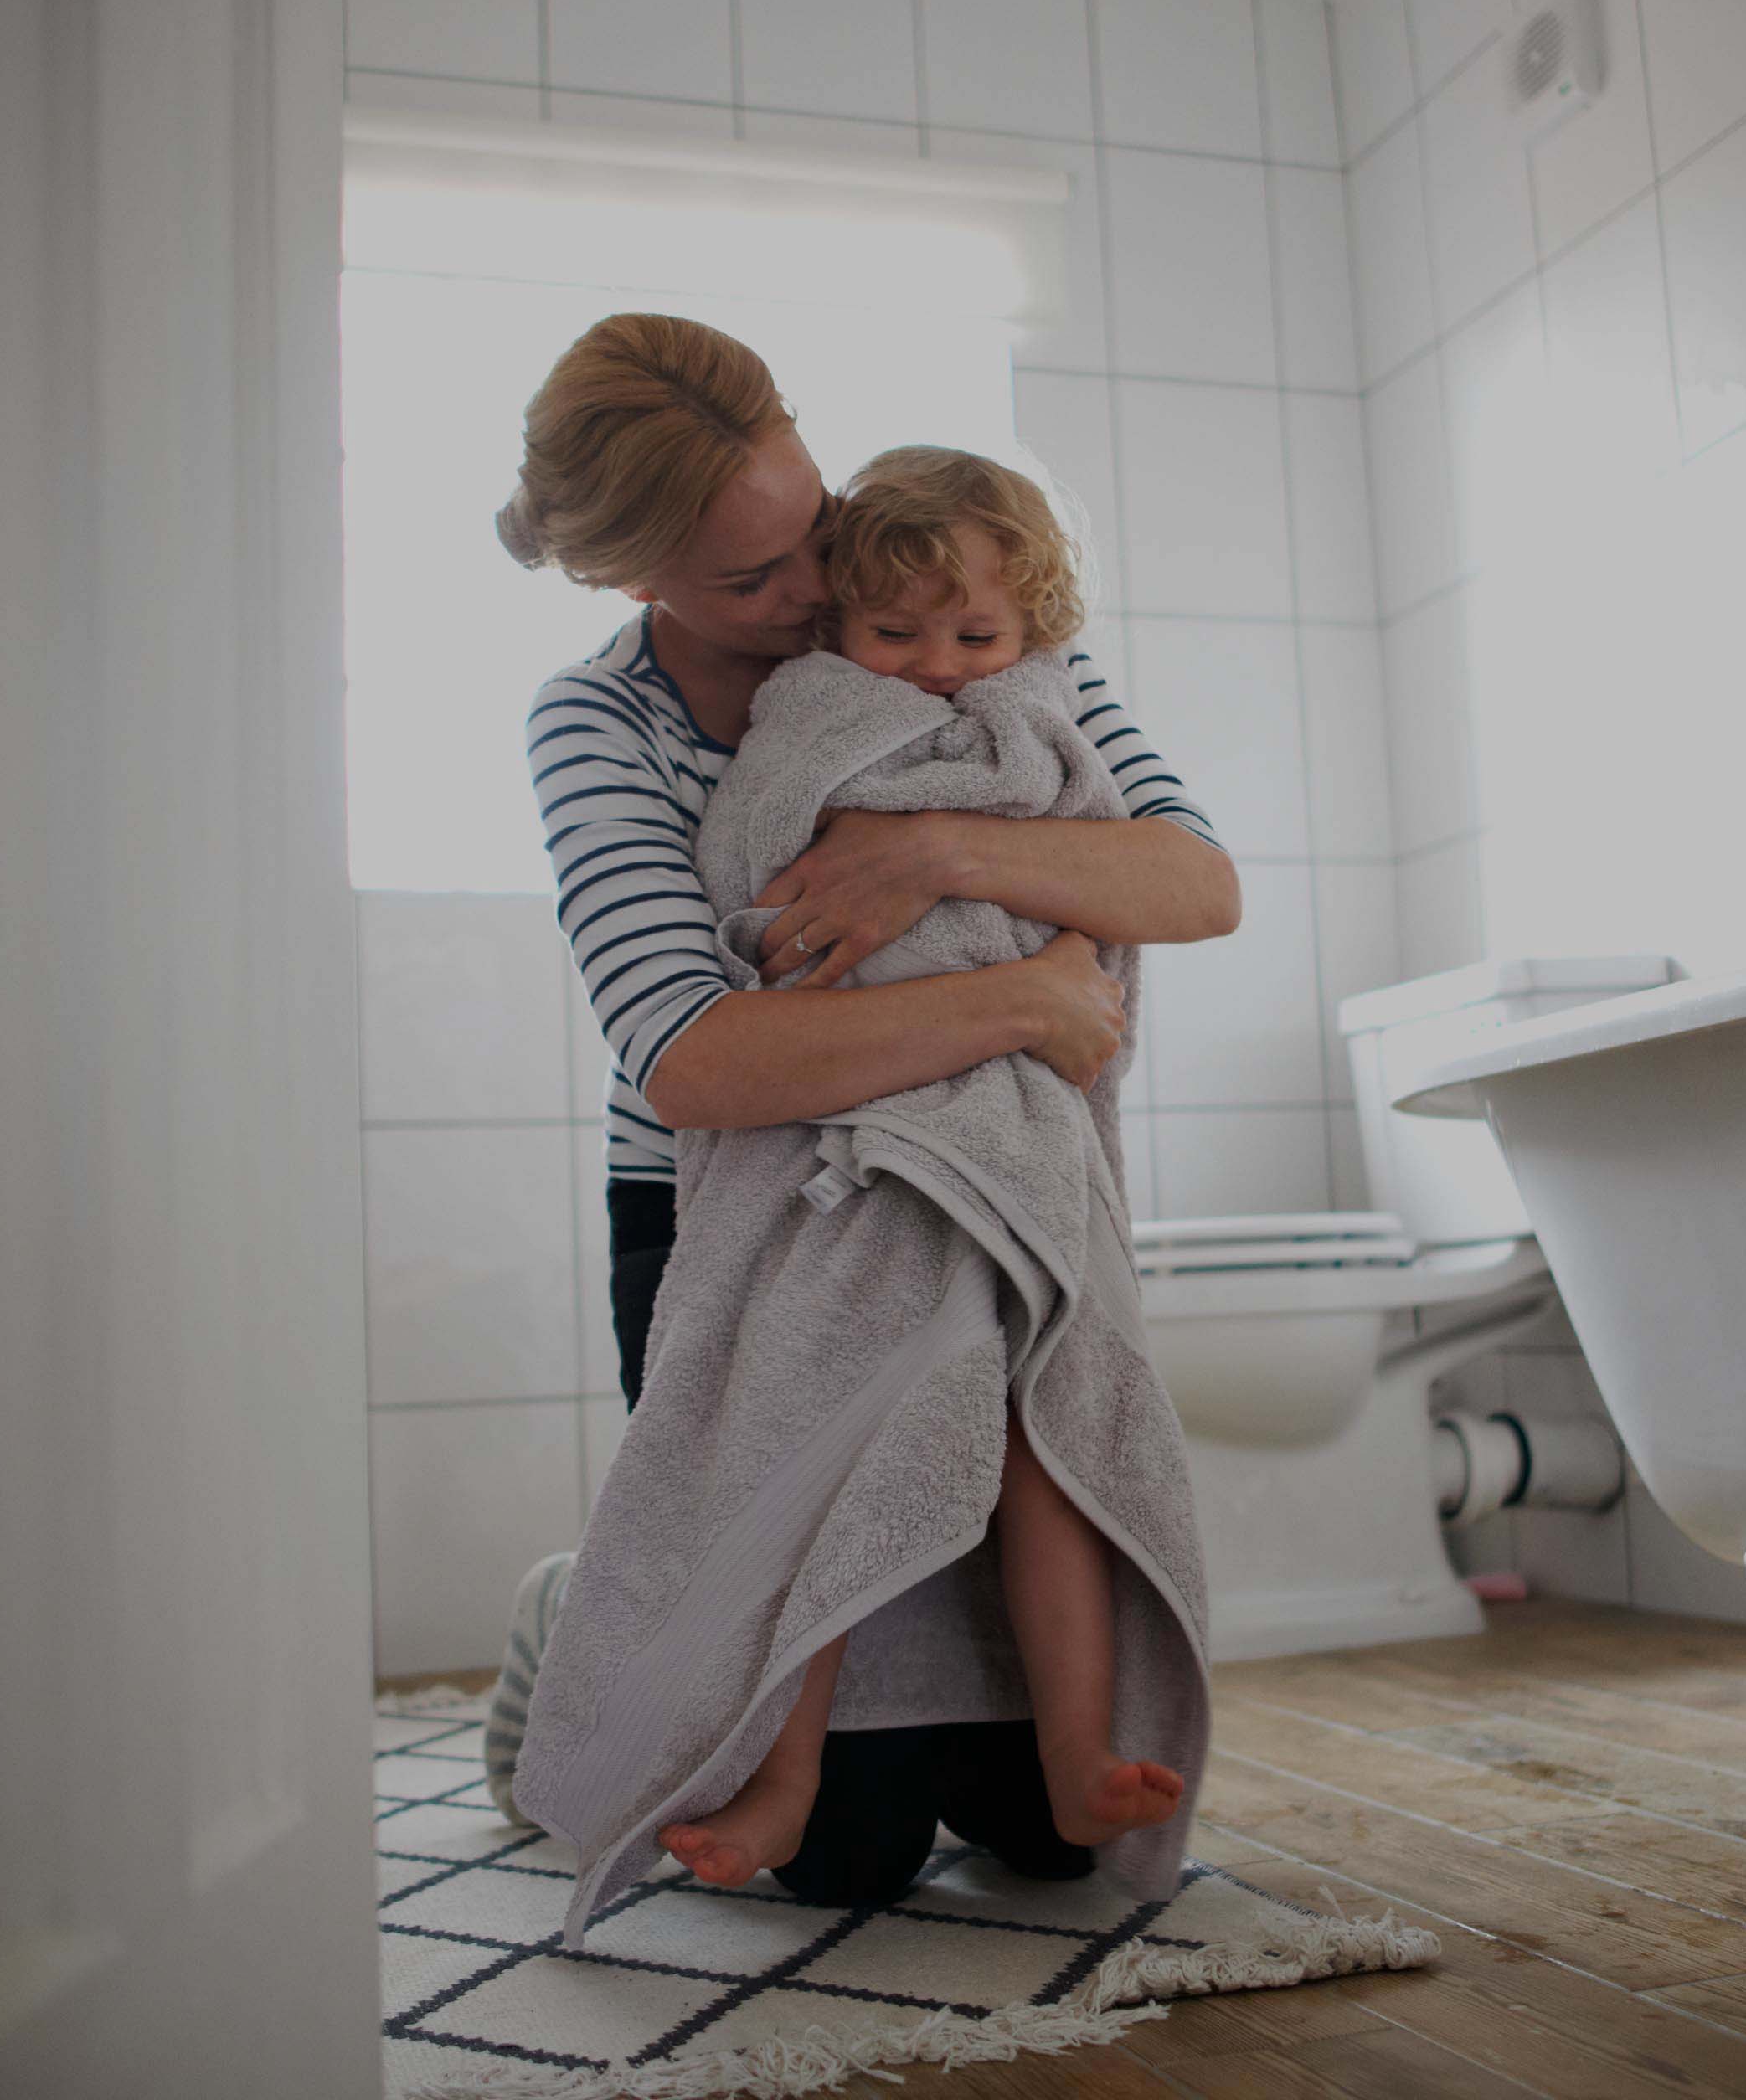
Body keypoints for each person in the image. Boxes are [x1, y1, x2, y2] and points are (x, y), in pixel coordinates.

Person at [486, 314, 1238, 1906]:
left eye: (811, 526)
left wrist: (938, 851)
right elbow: (693, 1057)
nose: (818, 589)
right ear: (634, 579)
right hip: (743, 1211)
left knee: (1047, 1836)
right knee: (845, 1857)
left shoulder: (955, 622)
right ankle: (588, 1610)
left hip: (979, 1178)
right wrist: (1025, 1000)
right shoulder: (598, 722)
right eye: (753, 578)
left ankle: (983, 1719)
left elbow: (1192, 880)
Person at [645, 445, 1189, 1891]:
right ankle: (781, 1775)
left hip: (1016, 1146)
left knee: (1046, 1448)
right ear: (837, 622)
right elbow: (753, 892)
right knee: (817, 1438)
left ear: (1034, 624)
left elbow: (1180, 882)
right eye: (897, 634)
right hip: (853, 1153)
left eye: (977, 637)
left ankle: (1077, 1754)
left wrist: (946, 858)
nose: (942, 670)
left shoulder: (1052, 702)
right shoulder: (802, 715)